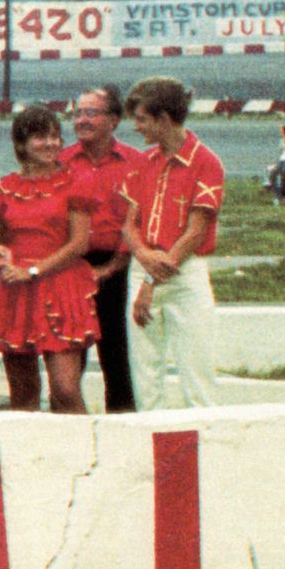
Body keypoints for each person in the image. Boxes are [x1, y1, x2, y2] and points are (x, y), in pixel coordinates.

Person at [0, 106, 98, 414]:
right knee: (23, 393)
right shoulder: (1, 190)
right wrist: (3, 259)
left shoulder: (75, 183)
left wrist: (34, 270)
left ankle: (85, 455)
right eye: (41, 137)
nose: (51, 143)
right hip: (15, 290)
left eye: (55, 136)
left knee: (65, 390)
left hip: (61, 285)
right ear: (21, 144)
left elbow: (79, 244)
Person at [118, 77, 223, 410]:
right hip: (145, 266)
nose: (136, 127)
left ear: (164, 119)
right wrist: (143, 256)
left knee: (198, 372)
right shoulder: (142, 162)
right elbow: (129, 225)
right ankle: (153, 451)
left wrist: (150, 280)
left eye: (142, 119)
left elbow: (195, 233)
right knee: (145, 376)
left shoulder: (207, 162)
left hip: (183, 273)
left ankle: (207, 449)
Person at [59, 84, 142, 412]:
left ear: (114, 120)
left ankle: (123, 429)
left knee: (118, 358)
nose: (81, 120)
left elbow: (139, 221)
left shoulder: (135, 162)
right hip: (70, 267)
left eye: (91, 112)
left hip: (120, 267)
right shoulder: (61, 162)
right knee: (68, 358)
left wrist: (110, 268)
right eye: (78, 113)